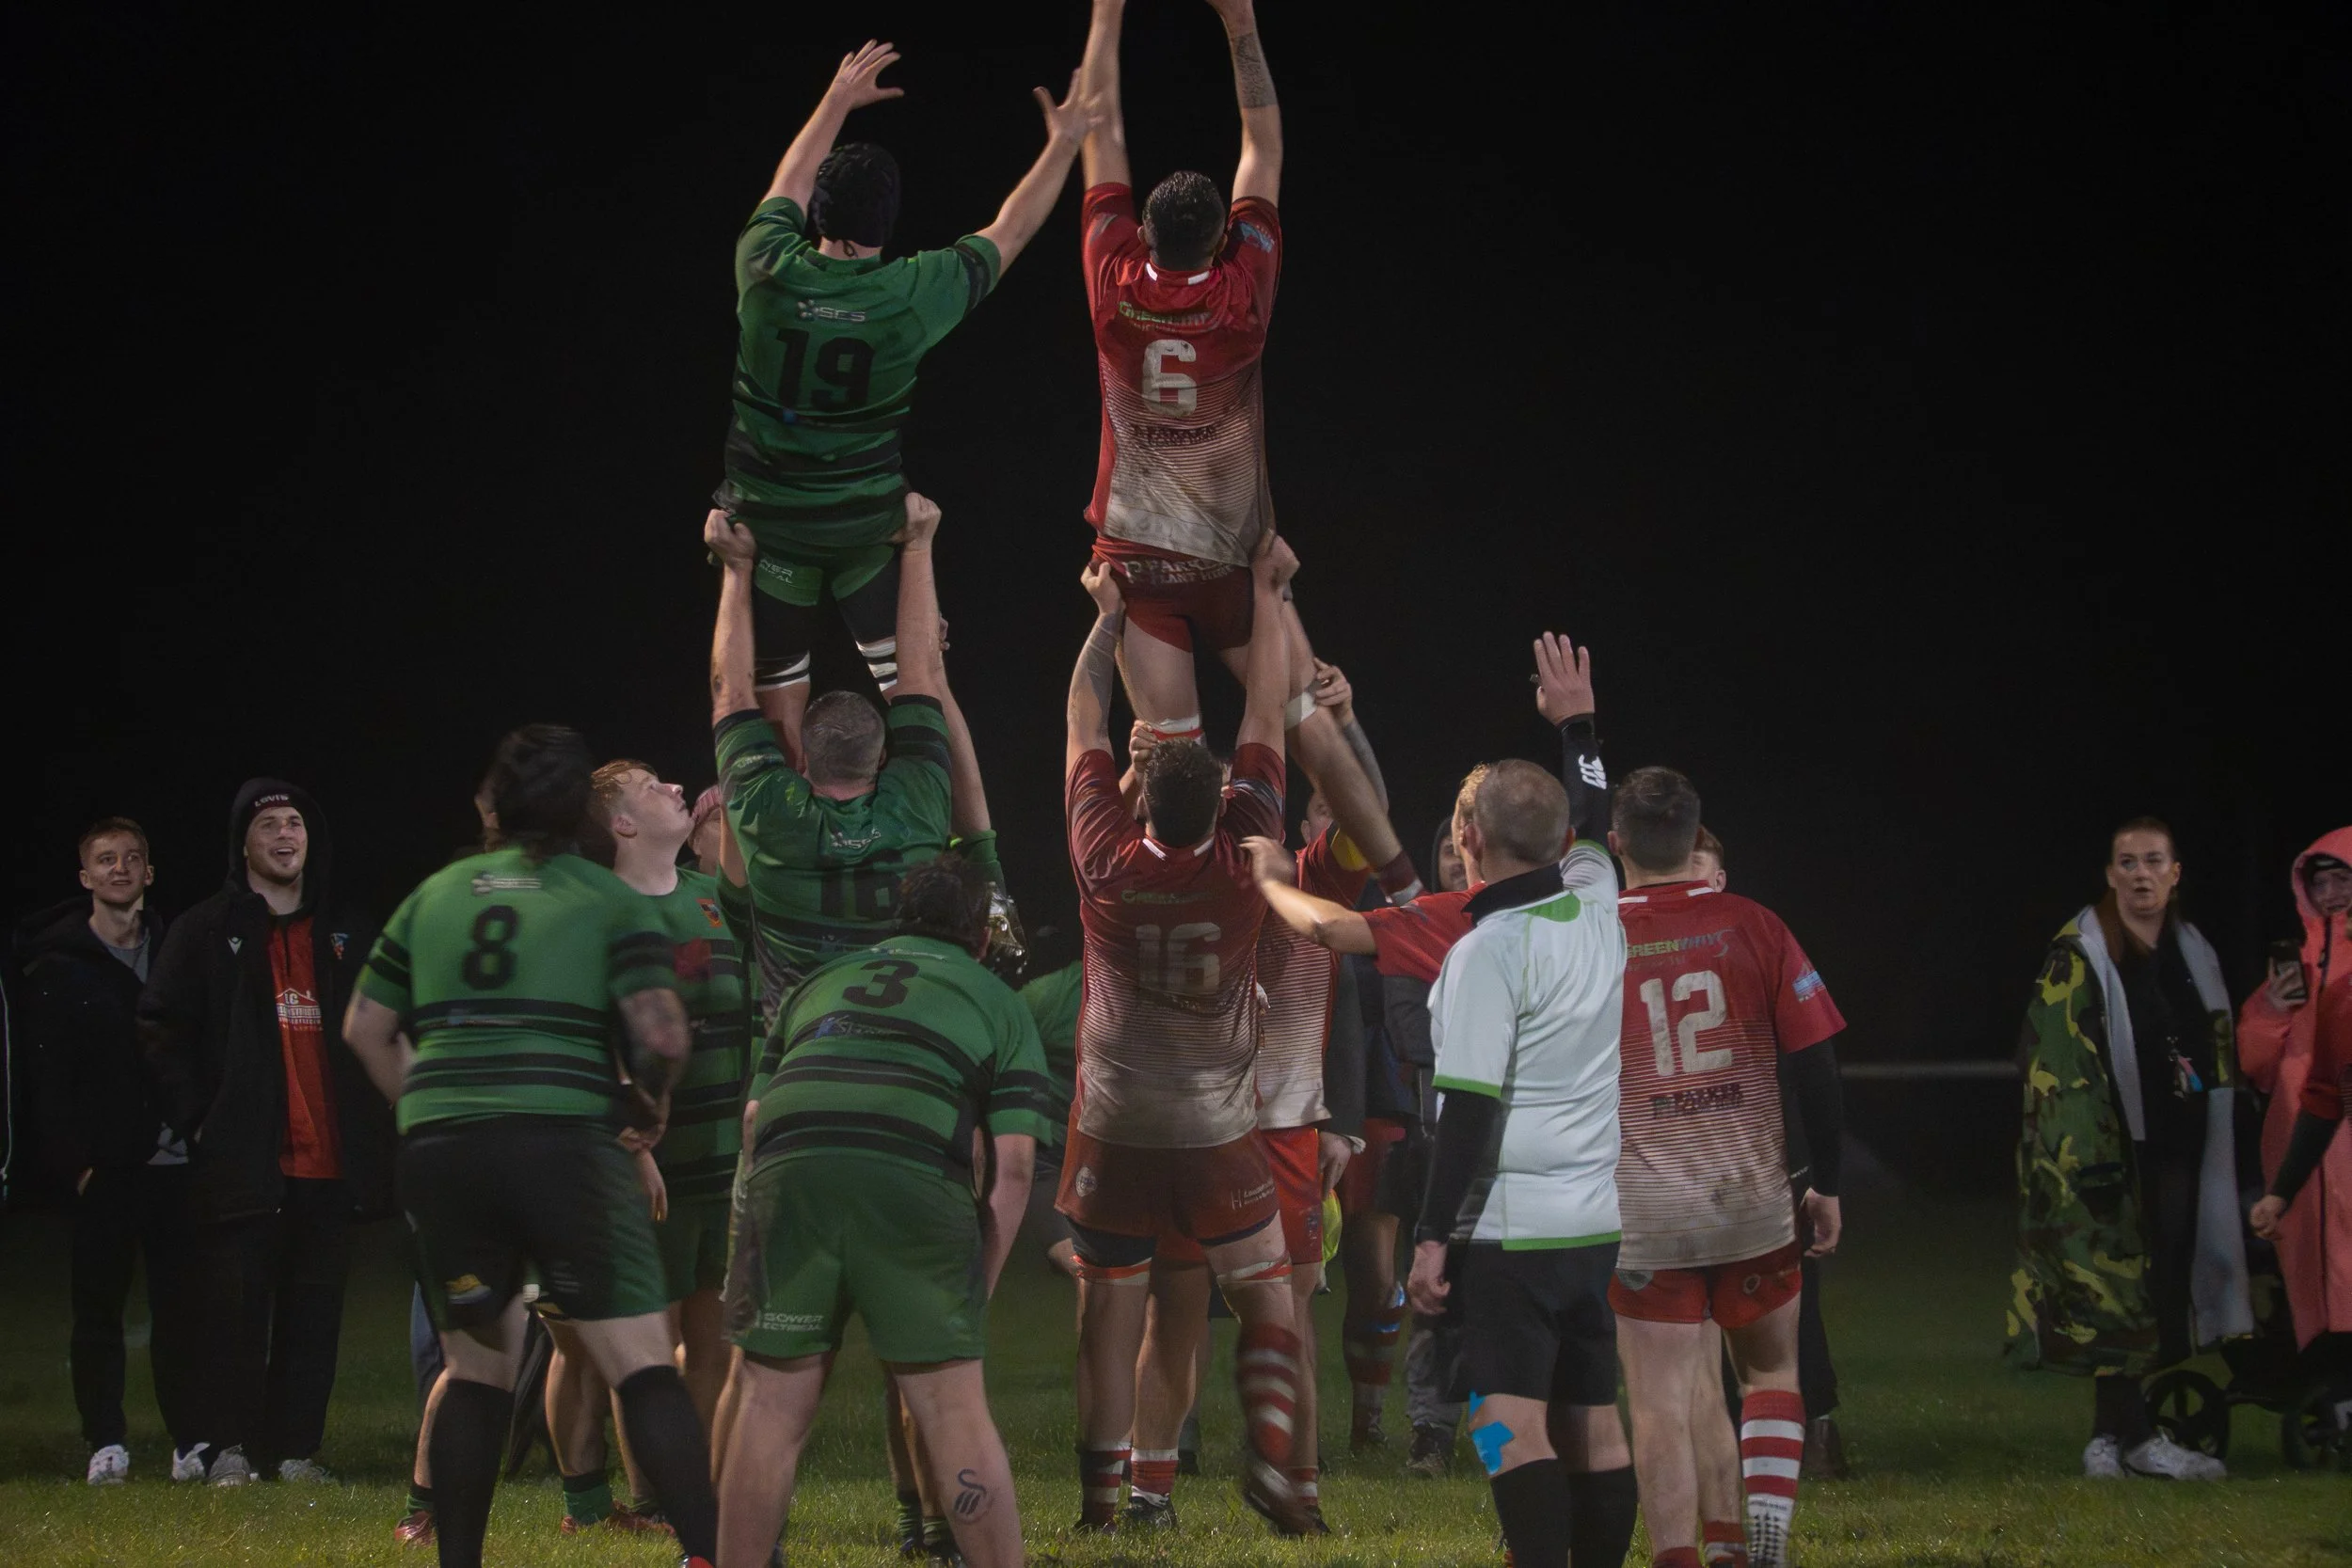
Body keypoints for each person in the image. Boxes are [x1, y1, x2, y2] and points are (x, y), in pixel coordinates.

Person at [1069, 0, 1421, 906]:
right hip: (1232, 560)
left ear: (1143, 236)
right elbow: (1260, 139)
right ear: (1222, 237)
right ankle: (1407, 892)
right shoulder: (1243, 300)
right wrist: (1239, 24)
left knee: (1174, 768)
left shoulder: (1113, 292)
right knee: (1305, 722)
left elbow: (1099, 125)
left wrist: (1107, 14)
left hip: (1138, 563)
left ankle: (1180, 925)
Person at [342, 724, 718, 1568]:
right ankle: (718, 1555)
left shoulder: (434, 896)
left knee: (478, 1367)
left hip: (447, 1156)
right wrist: (646, 1108)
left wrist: (431, 1111)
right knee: (643, 1366)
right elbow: (661, 1033)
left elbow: (366, 1029)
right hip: (563, 1146)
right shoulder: (603, 897)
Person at [715, 38, 1101, 756]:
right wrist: (1066, 143)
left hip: (771, 530)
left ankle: (798, 856)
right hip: (865, 531)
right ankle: (969, 856)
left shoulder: (763, 268)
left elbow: (785, 183)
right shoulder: (910, 296)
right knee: (921, 691)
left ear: (818, 216)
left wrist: (836, 98)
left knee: (776, 716)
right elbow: (1010, 229)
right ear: (888, 225)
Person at [1058, 531, 1316, 1533]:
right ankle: (1281, 1470)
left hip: (1118, 1124)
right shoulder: (1249, 853)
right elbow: (1265, 709)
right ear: (1220, 799)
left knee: (1106, 1319)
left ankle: (1102, 1505)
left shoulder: (1105, 861)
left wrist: (1106, 616)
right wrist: (1263, 589)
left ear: (1141, 803)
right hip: (1214, 1127)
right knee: (1266, 1302)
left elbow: (1084, 710)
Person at [714, 854, 1053, 1568]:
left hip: (790, 1168)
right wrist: (975, 1289)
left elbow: (753, 1119)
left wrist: (753, 1236)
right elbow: (1016, 1164)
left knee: (769, 1405)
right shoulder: (997, 998)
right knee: (952, 1407)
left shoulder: (819, 981)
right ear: (980, 938)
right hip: (909, 1174)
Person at [1389, 653, 1638, 1568]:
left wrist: (1428, 1236)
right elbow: (1597, 817)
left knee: (1500, 1424)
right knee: (1592, 1421)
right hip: (1591, 1222)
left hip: (1511, 1231)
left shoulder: (1487, 951)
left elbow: (1468, 1111)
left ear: (1464, 836)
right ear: (1564, 840)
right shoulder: (1597, 900)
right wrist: (1578, 727)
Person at [1604, 763, 1848, 1568]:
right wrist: (1827, 1182)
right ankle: (1759, 1537)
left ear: (1617, 843)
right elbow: (1816, 1064)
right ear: (1694, 834)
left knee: (1661, 1401)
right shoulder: (1756, 924)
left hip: (1645, 1208)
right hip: (1749, 1195)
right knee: (1772, 1365)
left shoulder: (1596, 931)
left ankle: (1683, 1558)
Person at [1131, 753, 1381, 1530]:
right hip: (1241, 1127)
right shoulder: (1273, 880)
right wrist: (1327, 727)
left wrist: (1335, 726)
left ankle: (1174, 1492)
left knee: (1201, 1311)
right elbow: (1364, 807)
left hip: (1228, 1124)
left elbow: (1361, 804)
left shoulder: (1276, 878)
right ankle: (1241, 1490)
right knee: (1244, 1312)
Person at [523, 760, 755, 1538]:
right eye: (654, 787)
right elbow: (585, 1035)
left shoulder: (707, 897)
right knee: (635, 1355)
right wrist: (631, 1142)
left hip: (722, 1162)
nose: (674, 790)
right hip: (641, 1169)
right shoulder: (596, 911)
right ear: (619, 822)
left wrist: (730, 829)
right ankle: (634, 1504)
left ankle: (699, 1491)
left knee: (713, 1346)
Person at [138, 780, 392, 1487]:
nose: (287, 835)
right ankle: (231, 1449)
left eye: (297, 822)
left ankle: (296, 1450)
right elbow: (160, 1024)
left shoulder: (345, 928)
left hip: (330, 1165)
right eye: (270, 824)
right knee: (234, 1317)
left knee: (315, 1318)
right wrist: (203, 1118)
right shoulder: (206, 928)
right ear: (243, 843)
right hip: (244, 1164)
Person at [2009, 816, 2250, 1481]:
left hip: (2184, 1147)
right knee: (2118, 1290)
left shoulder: (2193, 948)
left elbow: (2220, 1043)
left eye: (2153, 861)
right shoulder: (2082, 951)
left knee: (2161, 1289)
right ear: (2110, 875)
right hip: (2110, 1154)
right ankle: (2132, 1439)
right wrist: (2080, 1151)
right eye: (2127, 862)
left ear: (2175, 874)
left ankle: (2112, 1438)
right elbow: (2049, 1056)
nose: (2140, 873)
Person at [21, 817, 199, 1484]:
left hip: (176, 1163)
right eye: (105, 859)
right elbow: (48, 1079)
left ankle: (192, 1438)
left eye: (131, 858)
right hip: (107, 1169)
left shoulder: (177, 948)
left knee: (182, 1309)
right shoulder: (57, 964)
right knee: (99, 1309)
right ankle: (106, 1440)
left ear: (149, 872)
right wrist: (80, 1162)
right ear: (85, 876)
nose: (119, 868)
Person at [2237, 831, 2352, 1348]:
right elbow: (2254, 1063)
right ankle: (2333, 1396)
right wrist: (2276, 1010)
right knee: (2311, 1286)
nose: (2330, 893)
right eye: (2319, 882)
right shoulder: (2296, 970)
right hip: (2301, 1151)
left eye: (2342, 879)